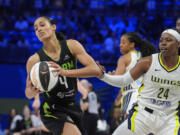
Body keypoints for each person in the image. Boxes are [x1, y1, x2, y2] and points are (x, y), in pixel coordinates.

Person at [25, 16, 102, 135]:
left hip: (72, 107)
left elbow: (95, 70)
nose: (38, 29)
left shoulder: (72, 46)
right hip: (51, 109)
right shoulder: (34, 60)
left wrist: (65, 72)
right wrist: (32, 90)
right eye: (35, 28)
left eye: (42, 25)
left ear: (53, 27)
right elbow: (27, 93)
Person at [98, 28, 180, 135]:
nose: (163, 43)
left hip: (168, 118)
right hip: (143, 114)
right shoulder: (147, 62)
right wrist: (103, 76)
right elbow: (123, 80)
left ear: (178, 44)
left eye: (168, 40)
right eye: (161, 40)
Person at [113, 32, 157, 119]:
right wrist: (119, 97)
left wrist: (106, 74)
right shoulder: (145, 56)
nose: (120, 45)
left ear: (132, 44)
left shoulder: (124, 58)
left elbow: (116, 80)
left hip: (132, 96)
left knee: (128, 128)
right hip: (147, 96)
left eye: (123, 42)